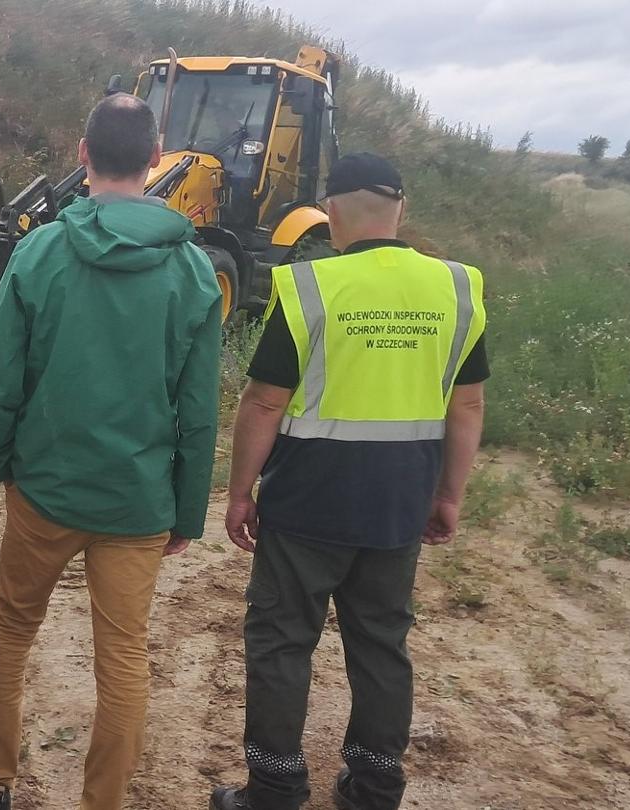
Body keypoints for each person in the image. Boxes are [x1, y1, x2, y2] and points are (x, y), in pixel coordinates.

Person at [0, 93, 224, 810]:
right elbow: (199, 413)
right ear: (155, 156)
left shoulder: (41, 250)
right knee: (125, 657)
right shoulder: (194, 272)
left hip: (43, 489)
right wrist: (187, 513)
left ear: (82, 155)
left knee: (13, 628)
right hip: (137, 505)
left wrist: (3, 460)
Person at [209, 153, 489, 810]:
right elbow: (467, 406)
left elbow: (263, 403)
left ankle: (274, 789)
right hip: (400, 504)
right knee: (382, 642)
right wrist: (448, 495)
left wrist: (241, 492)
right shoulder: (456, 286)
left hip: (309, 501)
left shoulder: (309, 286)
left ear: (331, 213)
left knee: (282, 640)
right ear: (402, 212)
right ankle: (373, 787)